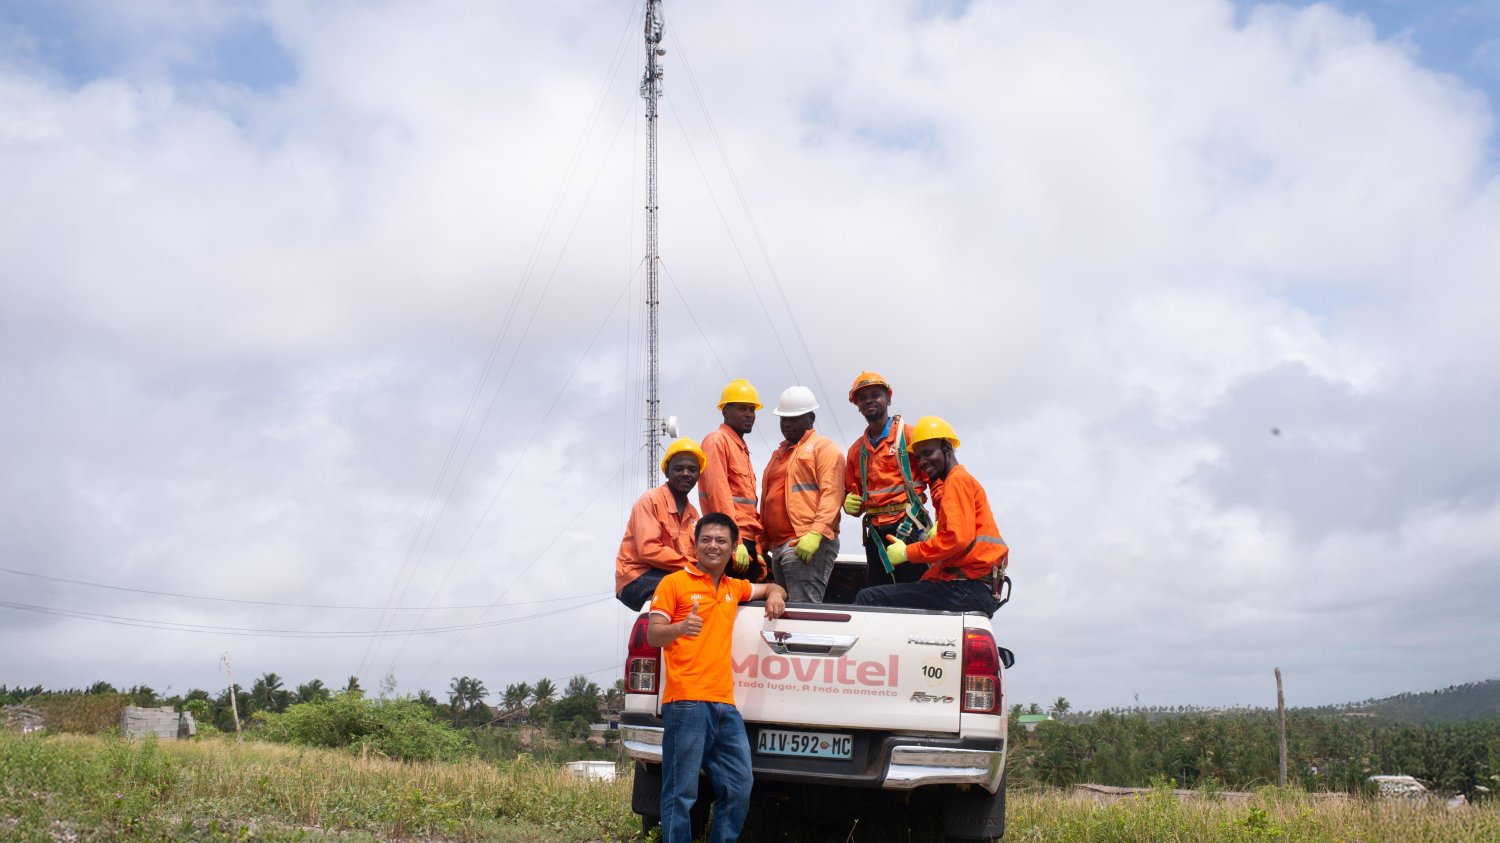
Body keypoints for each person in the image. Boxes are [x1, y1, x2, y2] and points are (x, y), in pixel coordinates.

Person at [647, 512, 787, 843]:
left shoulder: (731, 587)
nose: (713, 546)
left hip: (724, 704)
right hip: (686, 702)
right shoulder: (674, 583)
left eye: (721, 540)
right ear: (694, 545)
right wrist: (680, 628)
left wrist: (776, 595)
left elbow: (770, 585)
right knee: (680, 792)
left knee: (739, 786)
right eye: (706, 539)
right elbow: (654, 635)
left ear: (733, 548)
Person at [854, 416, 1007, 615]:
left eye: (928, 453)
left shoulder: (956, 481)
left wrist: (906, 553)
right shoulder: (960, 480)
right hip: (972, 589)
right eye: (918, 457)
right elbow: (954, 555)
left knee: (867, 598)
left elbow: (954, 539)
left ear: (947, 448)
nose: (923, 461)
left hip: (965, 589)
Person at [842, 371, 932, 589]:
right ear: (857, 405)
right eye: (862, 398)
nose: (868, 401)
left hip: (909, 525)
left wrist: (943, 521)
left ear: (888, 398)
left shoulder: (910, 436)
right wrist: (849, 505)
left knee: (915, 591)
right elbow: (854, 496)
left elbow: (938, 481)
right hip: (875, 532)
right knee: (880, 593)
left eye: (875, 394)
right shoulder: (857, 451)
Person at [760, 386, 845, 603]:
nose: (787, 424)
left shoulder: (823, 447)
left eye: (794, 418)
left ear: (811, 418)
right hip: (779, 546)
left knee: (803, 609)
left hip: (804, 541)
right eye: (783, 419)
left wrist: (816, 533)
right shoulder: (777, 455)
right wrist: (763, 541)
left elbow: (832, 493)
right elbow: (769, 501)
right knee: (786, 611)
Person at [615, 437, 706, 611]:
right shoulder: (650, 501)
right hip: (636, 576)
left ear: (698, 475)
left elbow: (698, 554)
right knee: (693, 593)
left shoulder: (693, 514)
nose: (686, 473)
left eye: (692, 469)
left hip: (669, 574)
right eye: (679, 468)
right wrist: (695, 567)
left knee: (709, 592)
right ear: (666, 471)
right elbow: (648, 550)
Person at [699, 379, 766, 582]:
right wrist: (735, 542)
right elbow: (719, 495)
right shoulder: (717, 441)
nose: (749, 414)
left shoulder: (740, 448)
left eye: (752, 409)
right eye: (742, 408)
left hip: (746, 540)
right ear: (725, 411)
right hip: (730, 539)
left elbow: (748, 507)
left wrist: (758, 547)